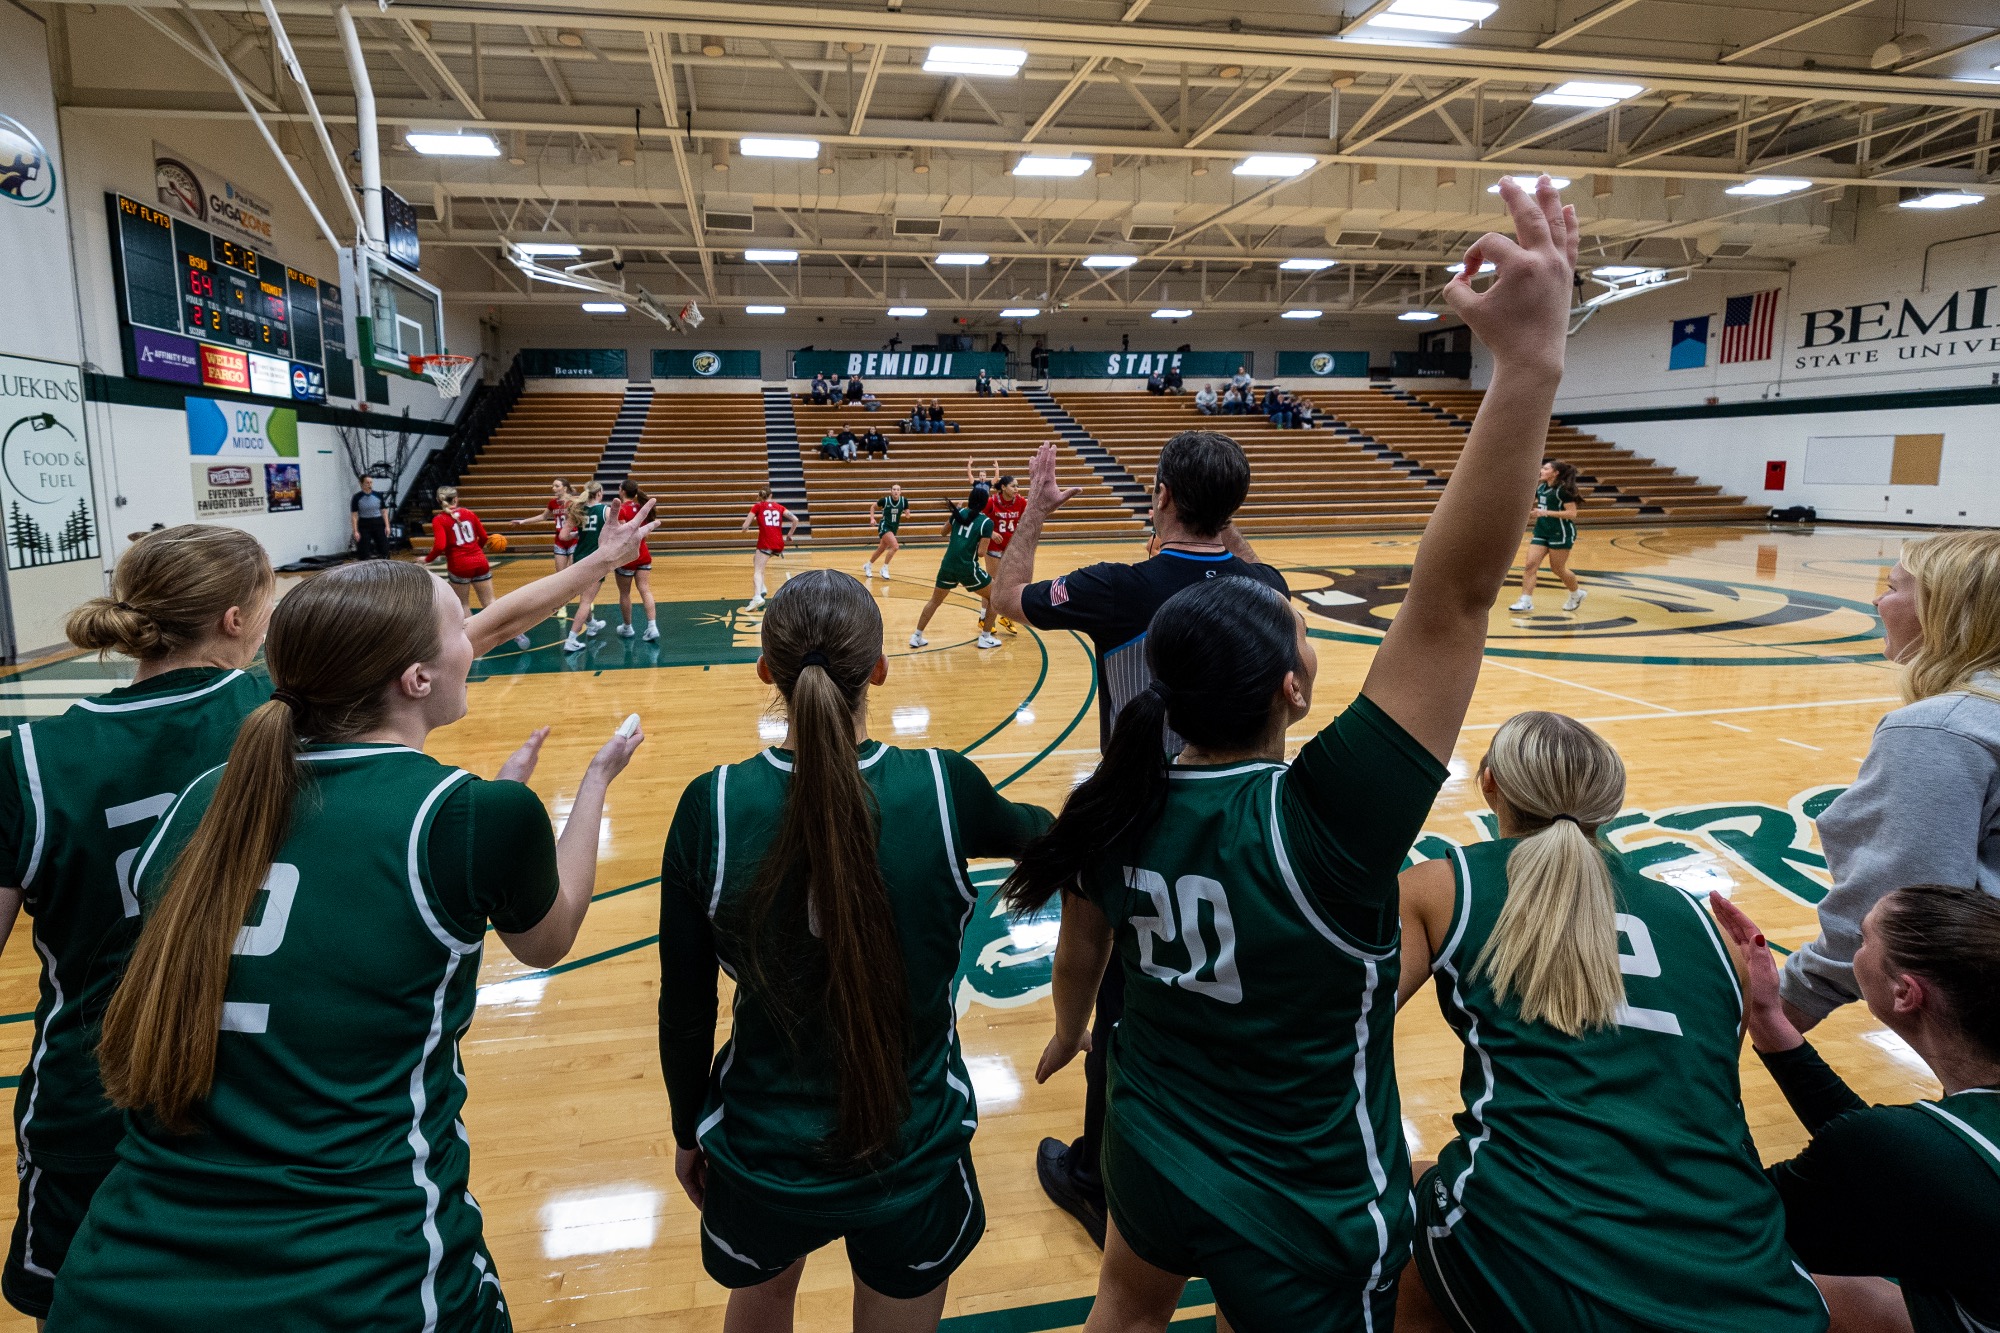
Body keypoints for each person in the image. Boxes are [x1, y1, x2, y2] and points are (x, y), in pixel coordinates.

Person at [1001, 177, 1577, 1331]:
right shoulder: (1326, 818)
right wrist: (1526, 366)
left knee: (1122, 1305)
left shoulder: (1109, 808)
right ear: (1293, 688)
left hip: (1151, 1144)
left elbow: (1079, 951)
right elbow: (1451, 598)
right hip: (1294, 1187)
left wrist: (1068, 1029)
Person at [47, 548, 651, 1331]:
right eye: (459, 627)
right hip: (363, 1281)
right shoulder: (471, 816)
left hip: (118, 1275)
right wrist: (596, 780)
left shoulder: (203, 799)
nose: (472, 641)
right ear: (417, 679)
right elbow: (549, 936)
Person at [656, 570, 1051, 1333]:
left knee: (763, 1295)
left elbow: (686, 1005)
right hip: (912, 1150)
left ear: (765, 670)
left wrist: (685, 1129)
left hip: (763, 1152)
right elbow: (1043, 836)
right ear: (879, 668)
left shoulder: (712, 805)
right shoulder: (940, 786)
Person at [1393, 712, 1828, 1333]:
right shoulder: (1710, 927)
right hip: (1744, 1263)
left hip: (1543, 1251)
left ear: (1489, 783)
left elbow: (1339, 1027)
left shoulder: (1443, 884)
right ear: (1612, 802)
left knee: (1379, 1202)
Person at [991, 430, 1288, 1244]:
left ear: (1160, 496)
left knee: (1123, 1000)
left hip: (1145, 816)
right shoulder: (1265, 587)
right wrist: (1221, 521)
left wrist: (1035, 510)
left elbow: (1007, 596)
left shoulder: (1120, 587)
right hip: (1248, 814)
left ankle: (1099, 1177)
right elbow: (1254, 571)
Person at [0, 526, 272, 1323]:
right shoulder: (276, 715)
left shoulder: (32, 759)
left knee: (76, 1306)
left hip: (92, 1091)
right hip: (248, 1082)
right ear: (233, 618)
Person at [1715, 886, 2000, 1333]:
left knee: (1763, 1283)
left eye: (1863, 939)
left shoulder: (1903, 1147)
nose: (1851, 951)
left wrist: (1697, 1058)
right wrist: (1769, 1017)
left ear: (1905, 992)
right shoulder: (1933, 1137)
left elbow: (1738, 1219)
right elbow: (1886, 1158)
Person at [1781, 529, 2000, 1033]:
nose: (1878, 601)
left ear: (1945, 612)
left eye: (1893, 587)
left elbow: (1905, 903)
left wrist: (1794, 999)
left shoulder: (1940, 729)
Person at [423, 488, 531, 651]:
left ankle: (472, 643)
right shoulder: (469, 513)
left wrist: (427, 559)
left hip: (459, 565)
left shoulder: (439, 519)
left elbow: (440, 546)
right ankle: (517, 634)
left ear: (439, 501)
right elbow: (484, 537)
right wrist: (475, 551)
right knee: (490, 602)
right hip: (480, 561)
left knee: (463, 604)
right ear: (456, 499)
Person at [909, 485, 1001, 652]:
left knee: (934, 601)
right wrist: (985, 537)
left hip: (948, 564)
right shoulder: (986, 522)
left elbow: (943, 532)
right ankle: (985, 637)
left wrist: (954, 514)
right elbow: (981, 553)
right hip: (967, 567)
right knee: (995, 595)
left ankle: (916, 636)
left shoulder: (959, 513)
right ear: (984, 503)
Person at [1509, 459, 1584, 613]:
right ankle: (1525, 601)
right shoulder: (1541, 487)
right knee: (1530, 566)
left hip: (1561, 532)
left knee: (1558, 569)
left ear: (1555, 473)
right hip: (1541, 531)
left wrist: (1545, 512)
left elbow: (1572, 513)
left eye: (1546, 469)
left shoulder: (1563, 491)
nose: (1541, 471)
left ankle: (1576, 594)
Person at [561, 482, 615, 654]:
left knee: (585, 598)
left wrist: (577, 534)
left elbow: (563, 536)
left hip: (579, 558)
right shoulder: (606, 510)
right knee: (586, 601)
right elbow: (616, 533)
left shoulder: (578, 510)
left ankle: (592, 625)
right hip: (596, 560)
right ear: (599, 493)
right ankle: (571, 640)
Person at [613, 477, 660, 642]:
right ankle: (652, 626)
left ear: (622, 491)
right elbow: (646, 531)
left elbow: (624, 535)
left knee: (624, 593)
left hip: (627, 557)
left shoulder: (621, 509)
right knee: (645, 590)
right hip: (643, 554)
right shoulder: (643, 507)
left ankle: (627, 627)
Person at [984, 474, 1027, 634]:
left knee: (1010, 584)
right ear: (1003, 487)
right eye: (1013, 486)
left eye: (1017, 486)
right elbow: (979, 519)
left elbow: (1027, 519)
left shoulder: (1021, 502)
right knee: (993, 585)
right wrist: (990, 533)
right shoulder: (992, 502)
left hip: (1010, 549)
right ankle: (983, 618)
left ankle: (1006, 616)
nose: (1017, 489)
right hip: (993, 547)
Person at [745, 485, 800, 612]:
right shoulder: (779, 507)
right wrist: (789, 535)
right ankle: (762, 587)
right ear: (771, 495)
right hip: (778, 543)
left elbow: (745, 525)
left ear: (760, 496)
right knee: (756, 560)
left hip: (765, 543)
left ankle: (757, 597)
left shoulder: (757, 506)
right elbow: (795, 519)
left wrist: (745, 528)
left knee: (758, 571)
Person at [863, 484, 910, 581]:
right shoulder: (885, 500)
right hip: (884, 526)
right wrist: (872, 519)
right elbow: (873, 507)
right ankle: (884, 568)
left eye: (898, 490)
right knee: (895, 546)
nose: (896, 491)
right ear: (891, 491)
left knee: (881, 548)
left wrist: (907, 513)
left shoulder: (904, 501)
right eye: (894, 489)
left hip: (894, 528)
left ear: (900, 491)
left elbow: (907, 512)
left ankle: (868, 565)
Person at [350, 476, 390, 560]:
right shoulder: (357, 497)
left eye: (371, 482)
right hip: (364, 524)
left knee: (384, 548)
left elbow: (384, 511)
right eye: (367, 483)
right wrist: (355, 531)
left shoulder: (378, 495)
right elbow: (354, 515)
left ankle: (385, 562)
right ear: (361, 484)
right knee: (363, 550)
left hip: (378, 522)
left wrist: (387, 526)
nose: (369, 484)